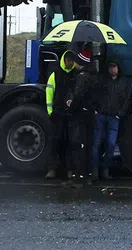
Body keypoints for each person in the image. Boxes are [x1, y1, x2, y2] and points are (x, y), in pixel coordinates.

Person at [45, 50, 82, 179]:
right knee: (55, 141)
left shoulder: (77, 75)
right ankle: (52, 169)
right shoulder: (55, 75)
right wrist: (51, 112)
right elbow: (49, 94)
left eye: (72, 60)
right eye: (68, 60)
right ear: (64, 60)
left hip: (71, 115)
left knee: (71, 143)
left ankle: (69, 169)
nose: (70, 62)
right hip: (58, 114)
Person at [66, 49, 98, 186]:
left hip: (81, 115)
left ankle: (79, 175)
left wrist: (70, 107)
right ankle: (89, 175)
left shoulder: (82, 77)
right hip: (91, 114)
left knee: (79, 145)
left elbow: (78, 96)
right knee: (89, 145)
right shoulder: (94, 76)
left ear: (80, 63)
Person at [93, 61, 129, 180]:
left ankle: (105, 169)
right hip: (101, 115)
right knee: (97, 143)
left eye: (114, 67)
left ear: (118, 68)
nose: (112, 69)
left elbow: (126, 99)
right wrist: (96, 110)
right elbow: (96, 94)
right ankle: (95, 170)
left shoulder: (123, 82)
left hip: (114, 117)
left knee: (111, 144)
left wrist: (120, 113)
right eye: (110, 67)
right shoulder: (103, 80)